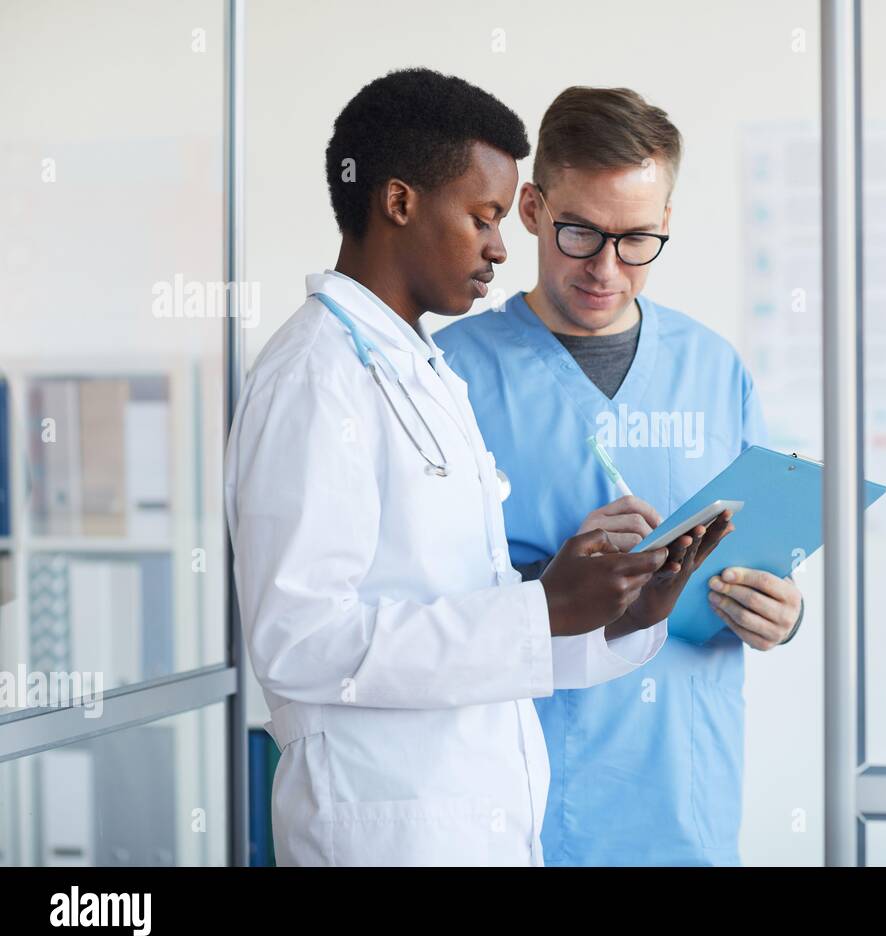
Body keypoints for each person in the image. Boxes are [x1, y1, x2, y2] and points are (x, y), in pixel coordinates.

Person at [224, 69, 729, 866]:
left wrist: (623, 614)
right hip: (382, 830)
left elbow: (480, 634)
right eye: (485, 216)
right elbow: (299, 639)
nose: (501, 246)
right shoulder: (315, 377)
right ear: (399, 203)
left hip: (472, 825)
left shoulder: (421, 370)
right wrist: (540, 610)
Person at [435, 87, 801, 866]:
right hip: (522, 808)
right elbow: (412, 612)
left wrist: (780, 613)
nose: (607, 269)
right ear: (531, 209)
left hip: (686, 807)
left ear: (666, 222)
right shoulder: (452, 376)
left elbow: (761, 555)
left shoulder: (714, 369)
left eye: (636, 240)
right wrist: (553, 582)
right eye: (580, 233)